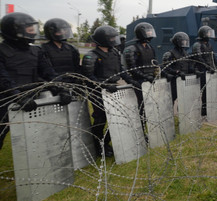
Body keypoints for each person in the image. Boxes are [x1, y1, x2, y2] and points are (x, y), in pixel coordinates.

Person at [0, 12, 66, 150]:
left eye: (33, 29)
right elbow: (3, 78)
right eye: (29, 30)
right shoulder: (2, 51)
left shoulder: (35, 51)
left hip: (31, 98)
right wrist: (18, 96)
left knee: (36, 135)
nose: (33, 33)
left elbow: (48, 72)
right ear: (15, 31)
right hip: (6, 100)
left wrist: (61, 87)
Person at [82, 25, 133, 157]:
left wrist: (130, 80)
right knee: (101, 118)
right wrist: (103, 85)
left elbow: (120, 69)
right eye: (111, 38)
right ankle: (97, 145)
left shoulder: (115, 52)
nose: (113, 40)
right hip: (98, 91)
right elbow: (89, 78)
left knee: (117, 116)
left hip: (114, 88)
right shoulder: (91, 56)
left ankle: (106, 142)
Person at [123, 22, 158, 131]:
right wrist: (144, 77)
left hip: (149, 81)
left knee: (149, 107)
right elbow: (132, 68)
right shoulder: (132, 49)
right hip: (138, 82)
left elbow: (154, 63)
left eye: (150, 31)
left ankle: (146, 129)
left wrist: (155, 74)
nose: (149, 33)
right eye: (147, 31)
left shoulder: (150, 47)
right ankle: (140, 130)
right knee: (140, 107)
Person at [192, 26, 217, 116]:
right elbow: (198, 58)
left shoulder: (209, 45)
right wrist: (207, 67)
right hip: (201, 70)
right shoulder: (197, 45)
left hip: (209, 70)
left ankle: (208, 108)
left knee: (210, 90)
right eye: (208, 33)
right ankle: (203, 109)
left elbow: (213, 57)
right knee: (203, 91)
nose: (209, 35)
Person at [161, 32, 192, 103]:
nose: (184, 43)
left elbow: (189, 65)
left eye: (185, 41)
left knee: (184, 101)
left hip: (184, 79)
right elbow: (165, 67)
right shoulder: (169, 54)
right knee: (171, 98)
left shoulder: (186, 54)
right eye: (183, 42)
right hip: (174, 80)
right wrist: (176, 72)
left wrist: (194, 70)